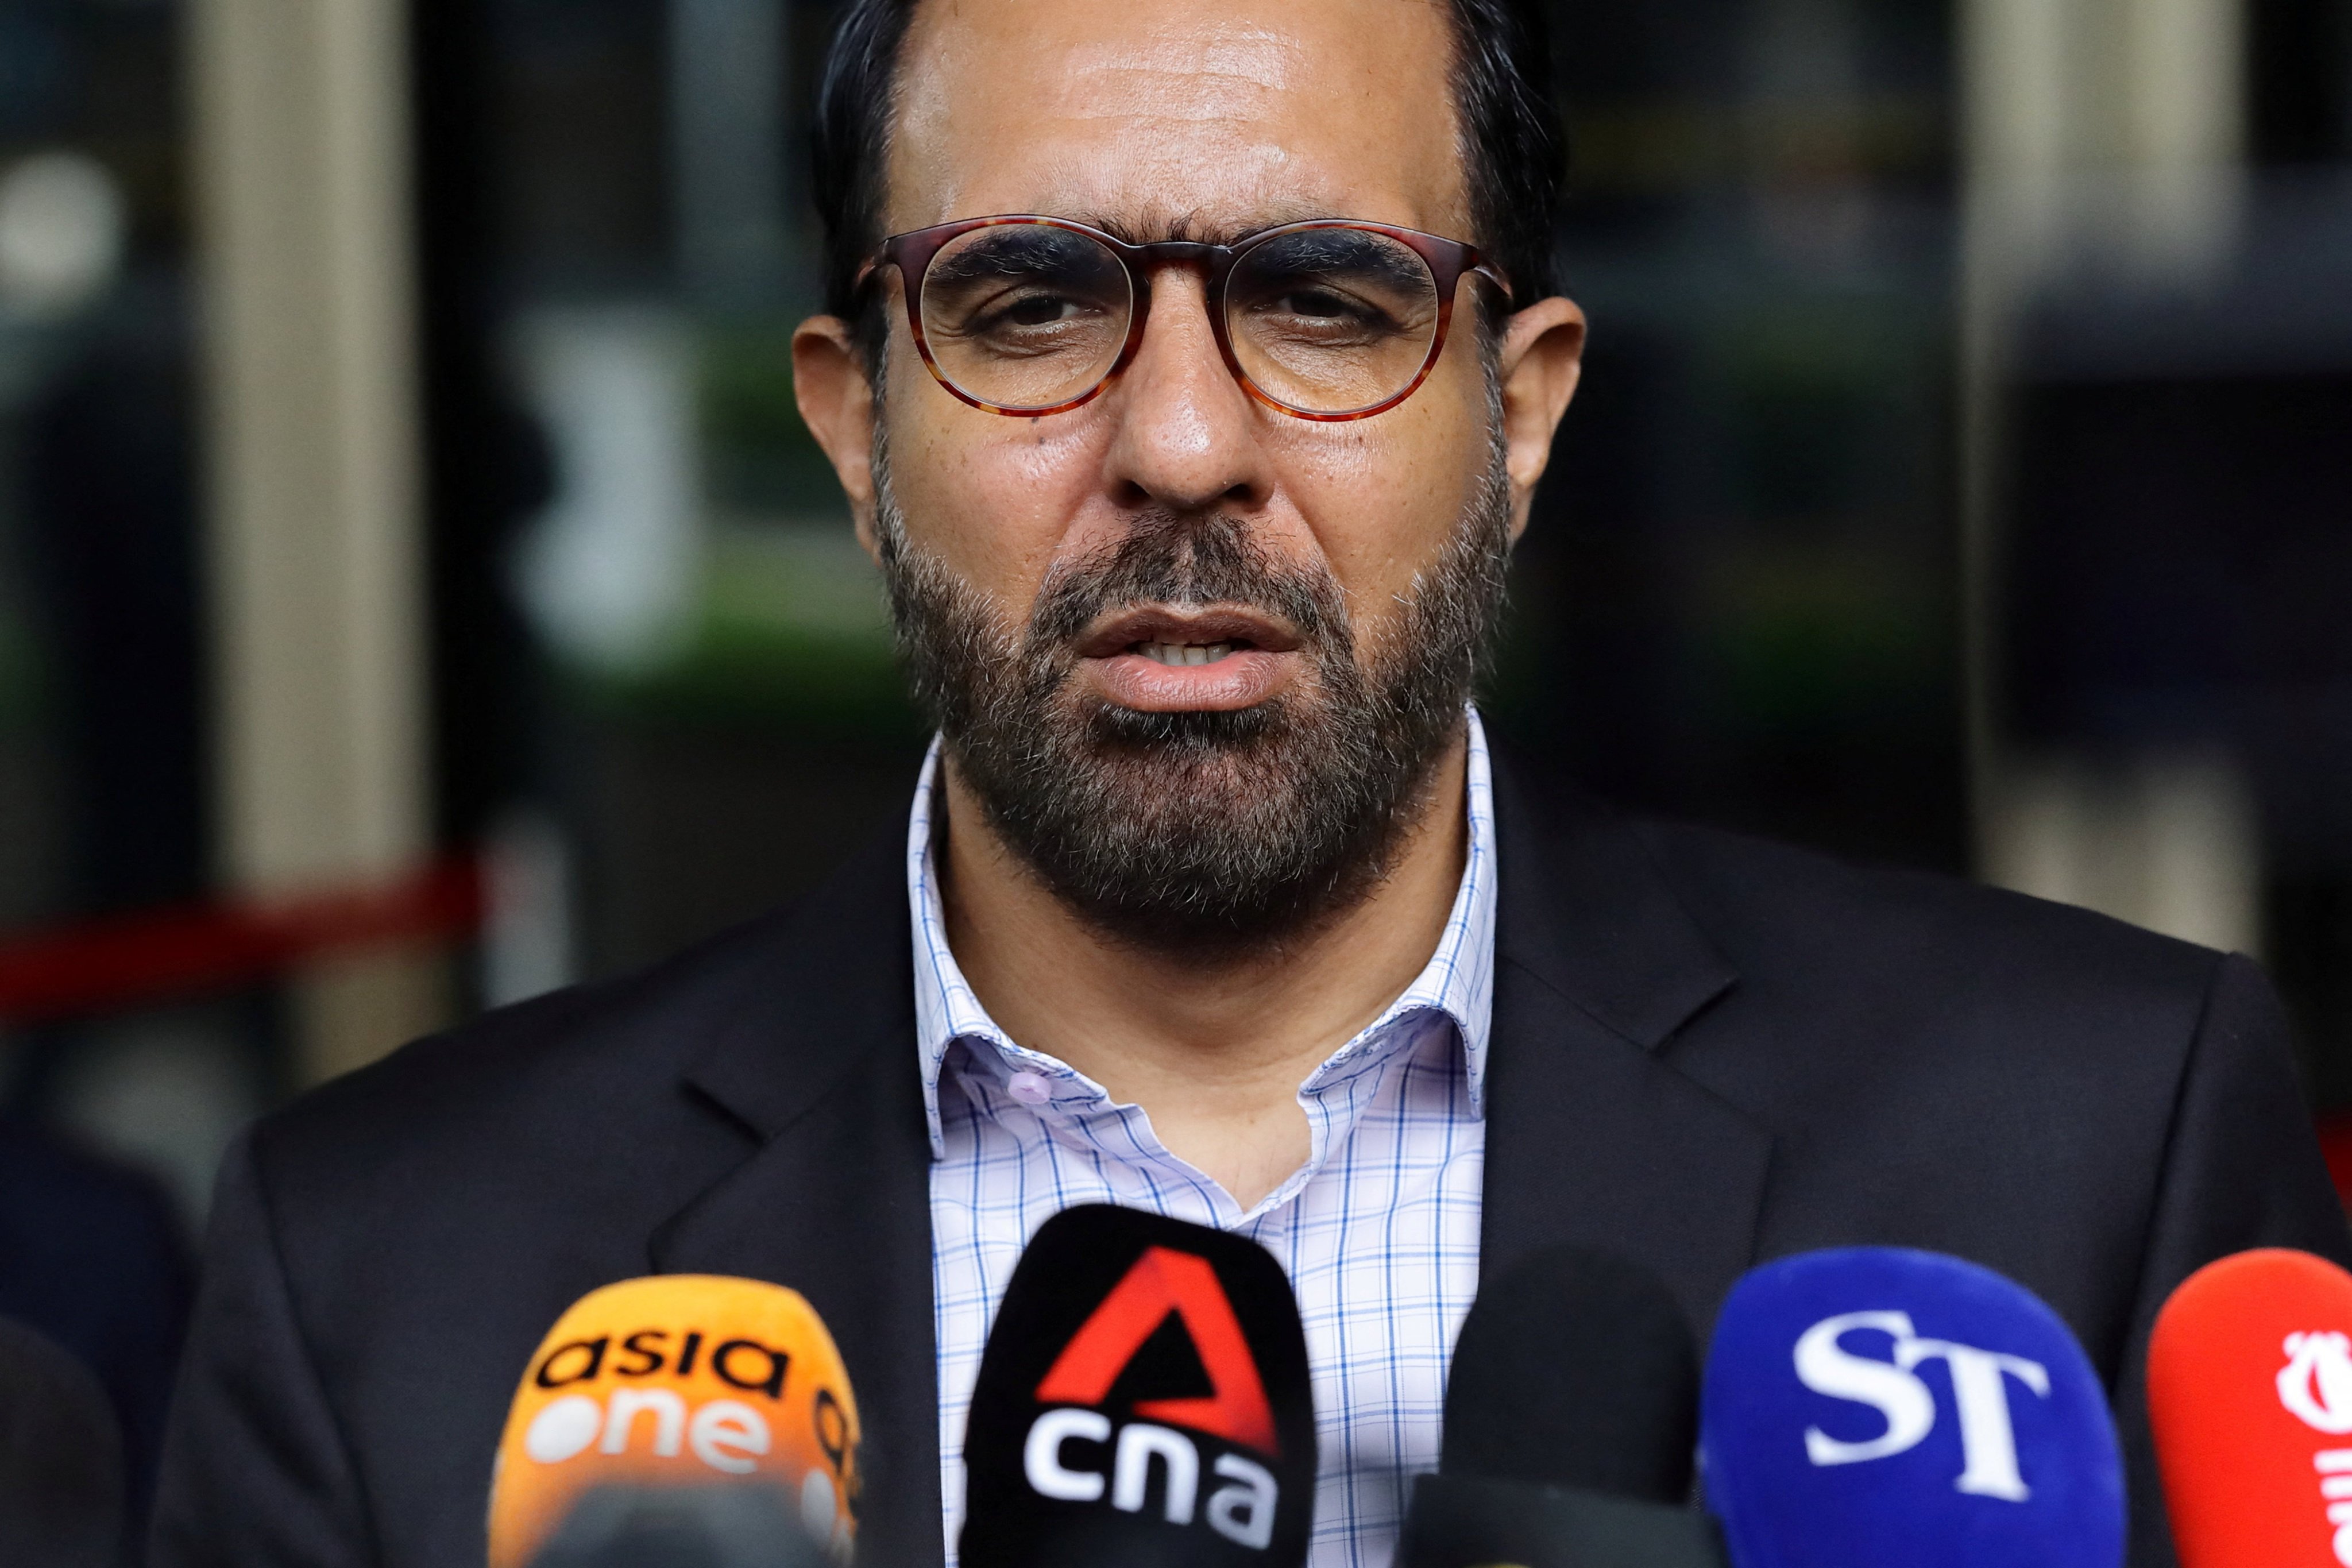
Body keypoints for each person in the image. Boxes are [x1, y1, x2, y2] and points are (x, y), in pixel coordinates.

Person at [152, 0, 2350, 1565]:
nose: (1183, 445)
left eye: (1321, 299)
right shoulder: (379, 1282)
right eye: (1026, 305)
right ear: (850, 425)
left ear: (1524, 406)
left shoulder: (2094, 1153)